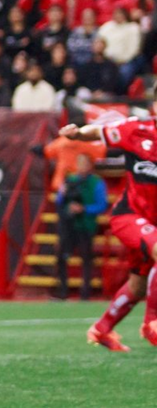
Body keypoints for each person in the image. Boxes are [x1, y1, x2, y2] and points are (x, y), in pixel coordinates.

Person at [60, 114, 157, 352]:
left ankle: (102, 329)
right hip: (129, 217)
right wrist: (79, 133)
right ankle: (152, 323)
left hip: (152, 227)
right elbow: (99, 131)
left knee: (137, 286)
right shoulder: (136, 129)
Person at [55, 154, 107, 300]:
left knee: (86, 257)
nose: (82, 167)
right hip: (69, 226)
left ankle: (85, 292)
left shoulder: (97, 182)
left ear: (90, 166)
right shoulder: (70, 180)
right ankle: (63, 290)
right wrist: (62, 194)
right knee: (61, 256)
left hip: (86, 225)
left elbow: (101, 205)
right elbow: (59, 201)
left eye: (85, 164)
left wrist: (83, 209)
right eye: (79, 164)